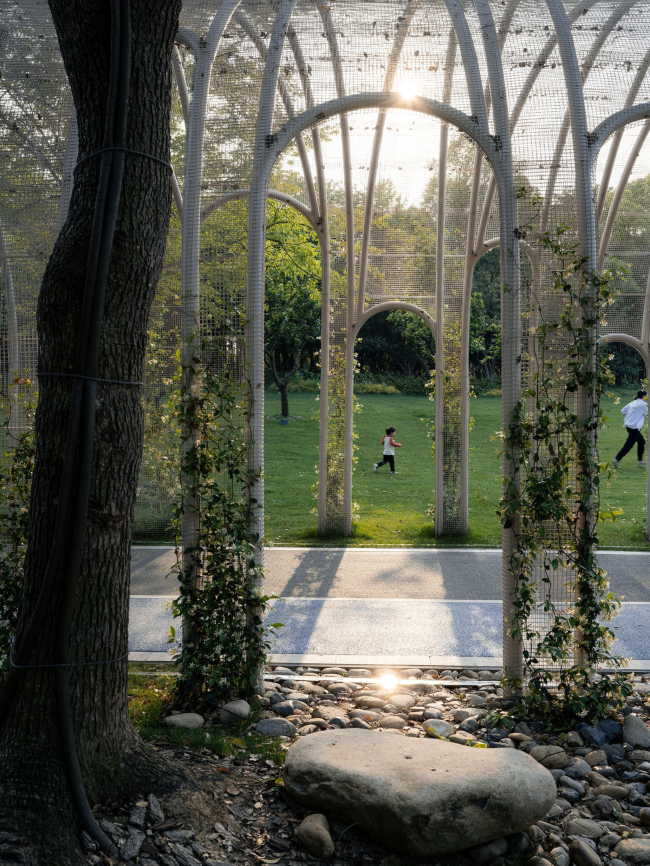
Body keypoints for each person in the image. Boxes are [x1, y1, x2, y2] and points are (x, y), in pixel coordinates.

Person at [613, 389, 648, 468]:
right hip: (635, 428)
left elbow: (623, 411)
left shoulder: (632, 403)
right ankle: (616, 460)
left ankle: (640, 461)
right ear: (643, 396)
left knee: (642, 441)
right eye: (646, 396)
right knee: (628, 446)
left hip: (629, 426)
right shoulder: (644, 405)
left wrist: (630, 417)